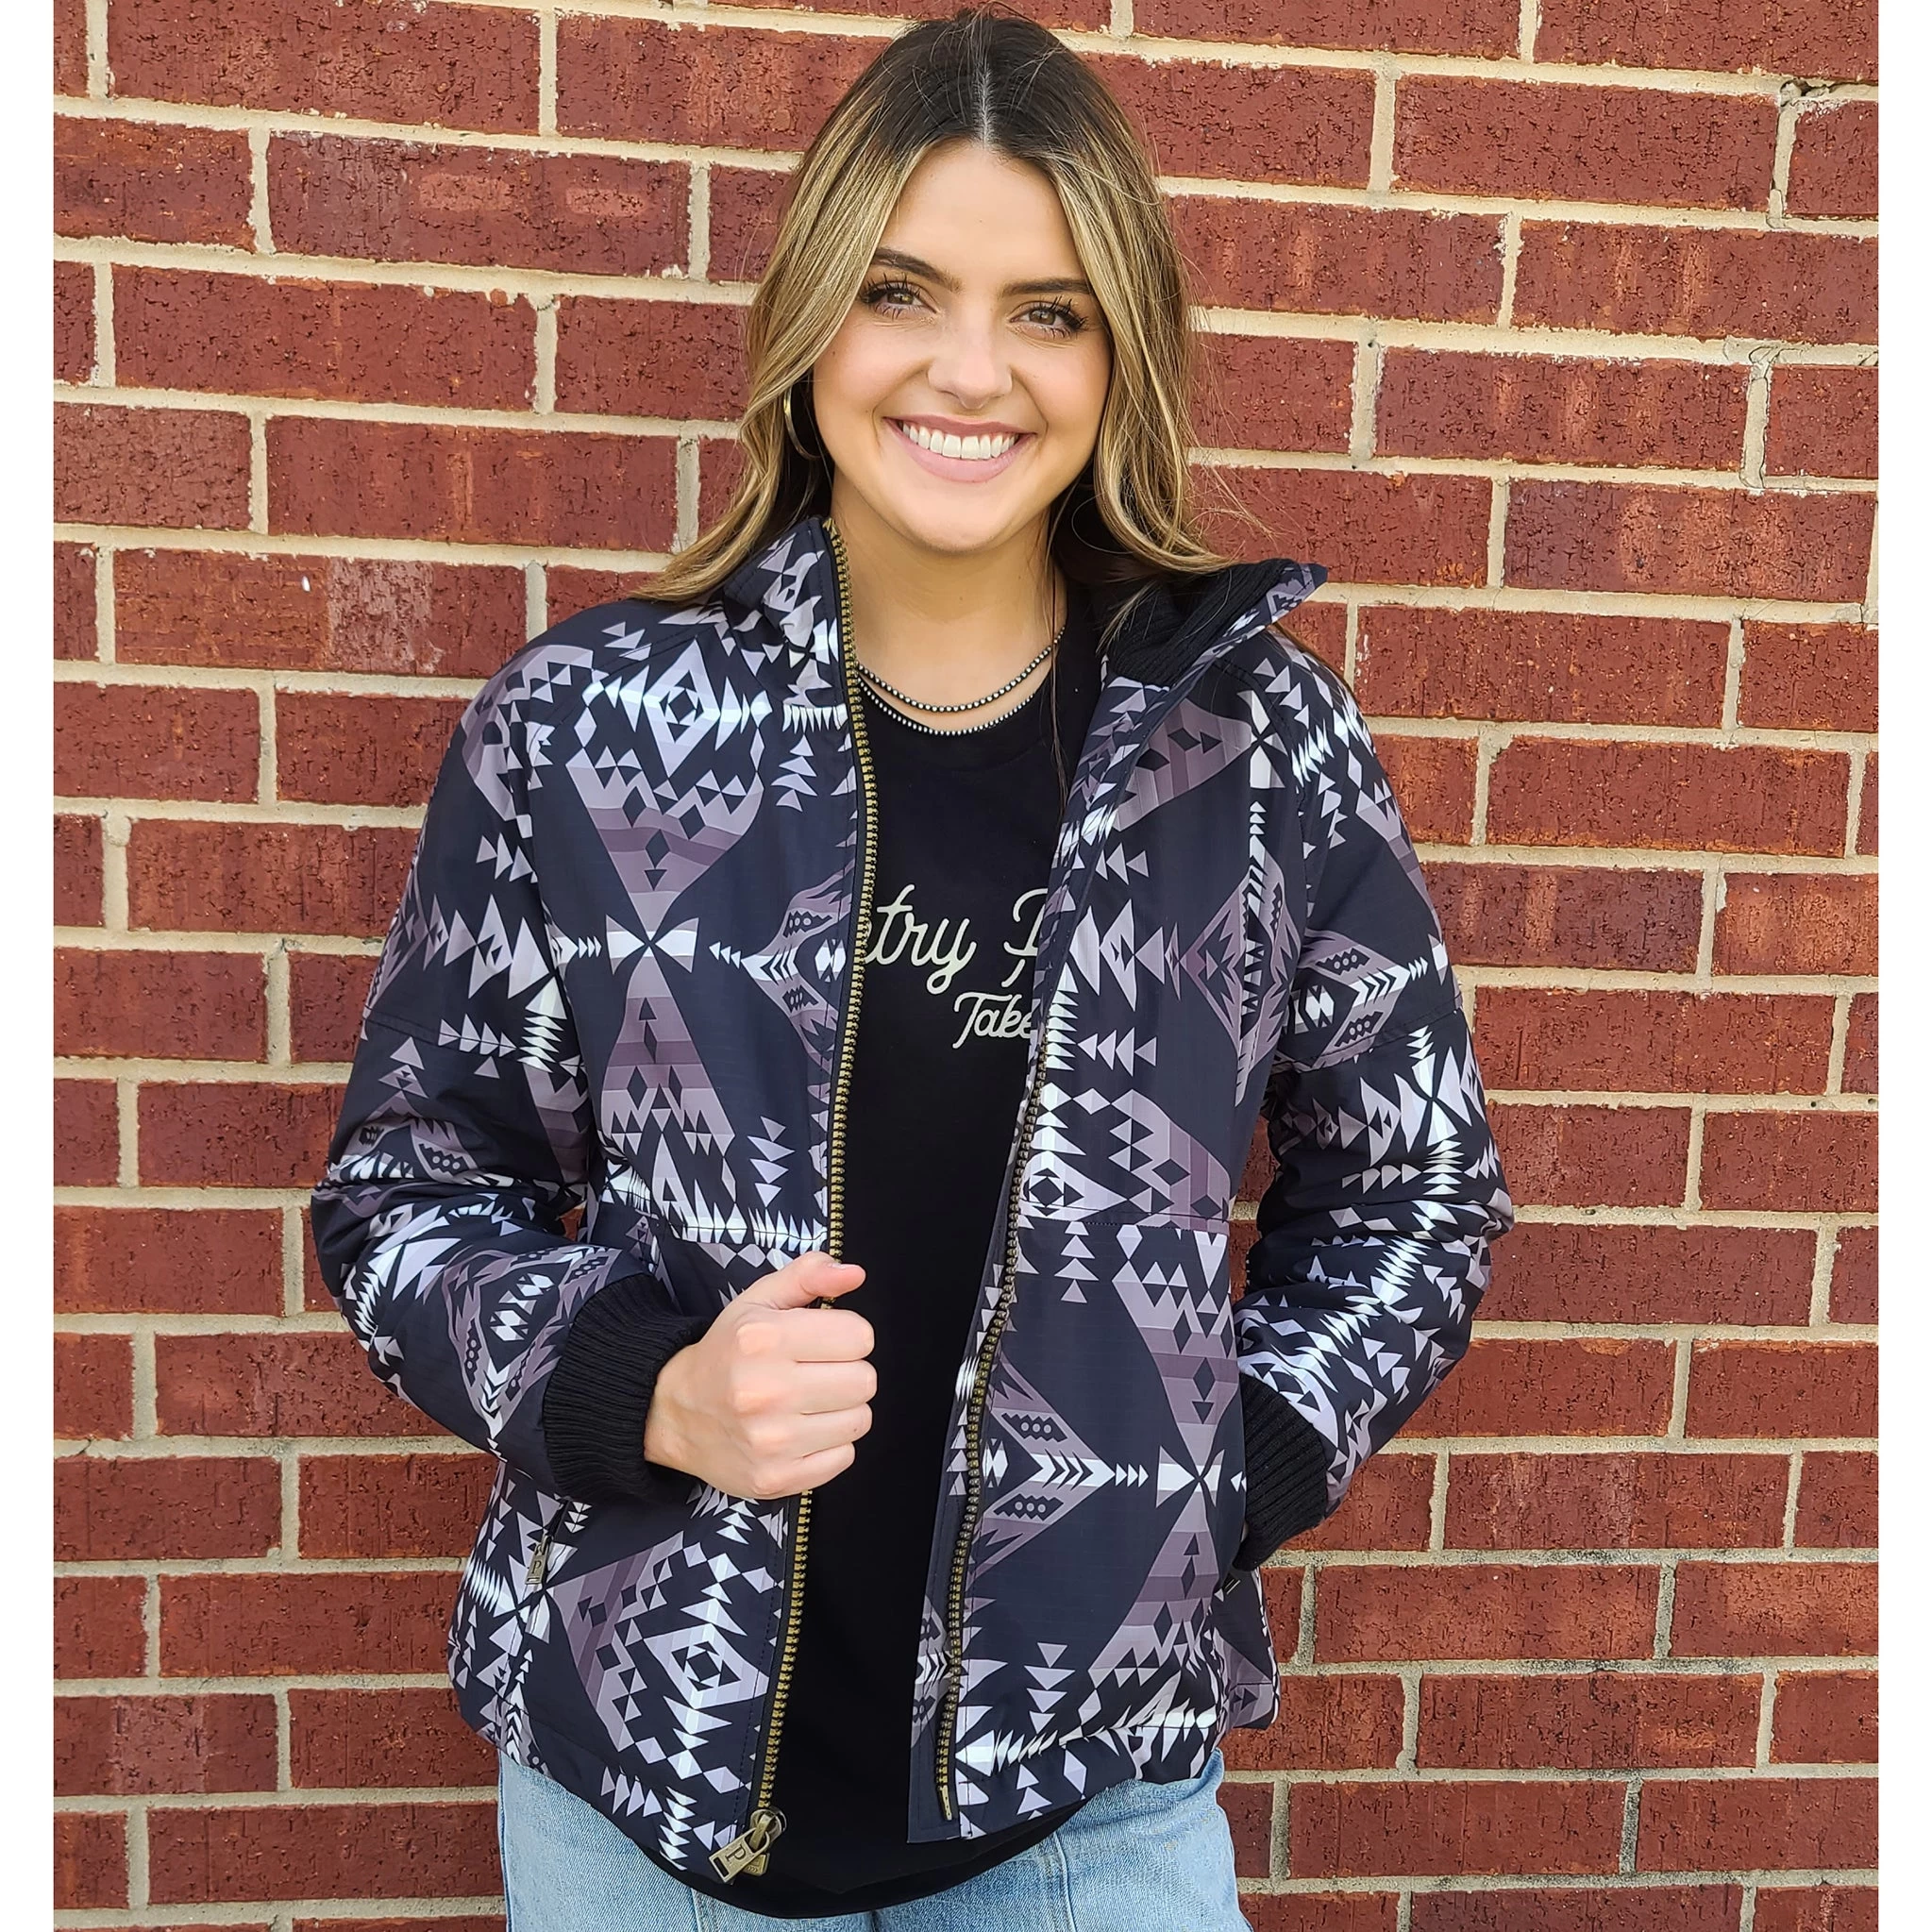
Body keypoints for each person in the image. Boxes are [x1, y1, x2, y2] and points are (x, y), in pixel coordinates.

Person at [310, 9, 1517, 1927]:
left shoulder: (1255, 750)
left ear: (1121, 357)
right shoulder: (588, 728)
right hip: (647, 1792)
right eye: (902, 292)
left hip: (1089, 1817)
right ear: (813, 321)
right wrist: (649, 1389)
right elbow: (405, 1189)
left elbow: (1415, 1188)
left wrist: (1225, 1470)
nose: (971, 369)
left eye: (1048, 311)